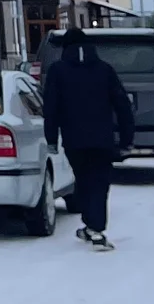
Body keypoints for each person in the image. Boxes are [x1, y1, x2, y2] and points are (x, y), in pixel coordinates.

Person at [40, 28, 137, 251]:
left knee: (83, 180)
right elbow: (122, 105)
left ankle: (92, 227)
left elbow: (51, 107)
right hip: (103, 138)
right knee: (100, 184)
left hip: (74, 139)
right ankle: (95, 227)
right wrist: (126, 138)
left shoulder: (58, 71)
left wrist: (51, 137)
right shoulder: (105, 70)